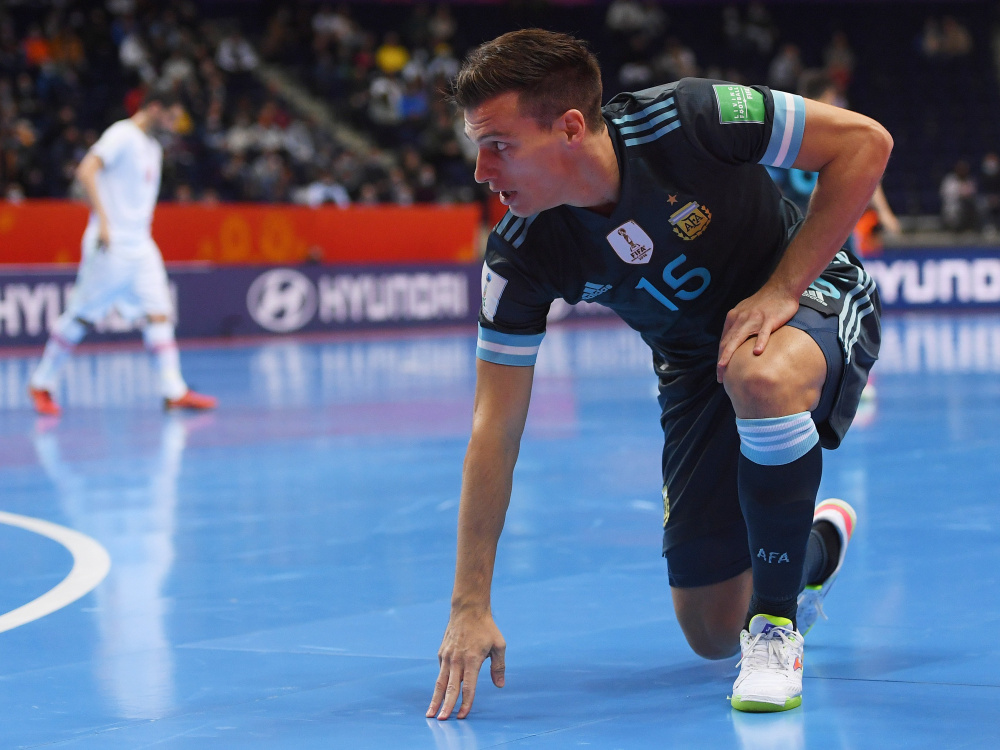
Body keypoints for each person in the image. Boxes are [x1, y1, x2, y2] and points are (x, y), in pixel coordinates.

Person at [426, 29, 891, 719]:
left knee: (759, 375)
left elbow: (864, 142)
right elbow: (494, 428)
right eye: (477, 146)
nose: (480, 170)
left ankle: (776, 632)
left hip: (808, 293)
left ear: (570, 128)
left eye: (499, 145)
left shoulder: (690, 118)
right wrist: (469, 604)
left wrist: (781, 287)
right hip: (694, 365)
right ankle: (814, 545)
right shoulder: (521, 253)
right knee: (710, 630)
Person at [28, 91, 217, 416]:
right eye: (171, 117)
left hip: (141, 245)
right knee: (81, 315)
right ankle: (41, 382)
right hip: (111, 243)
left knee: (159, 313)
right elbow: (86, 170)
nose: (174, 125)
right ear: (154, 108)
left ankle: (174, 391)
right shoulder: (121, 135)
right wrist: (104, 221)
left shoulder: (153, 147)